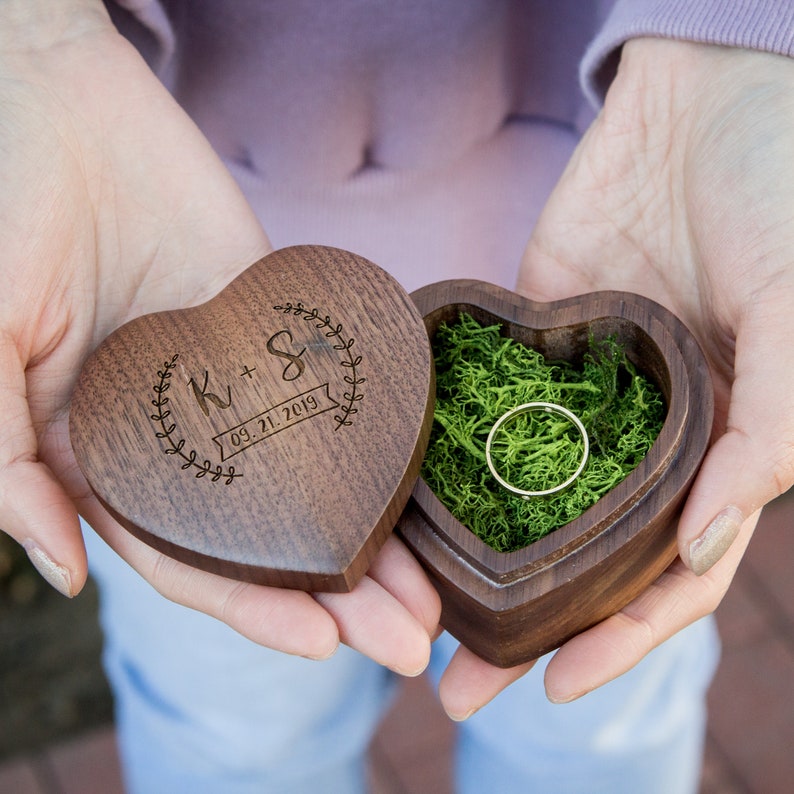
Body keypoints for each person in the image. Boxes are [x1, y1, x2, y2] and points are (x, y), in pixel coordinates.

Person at [1, 0, 792, 791]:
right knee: (238, 746)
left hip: (626, 194)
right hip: (145, 278)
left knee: (593, 745)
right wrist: (31, 43)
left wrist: (732, 45)